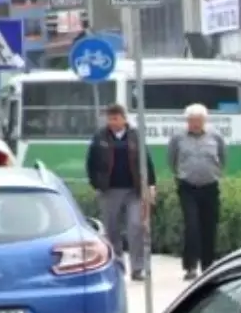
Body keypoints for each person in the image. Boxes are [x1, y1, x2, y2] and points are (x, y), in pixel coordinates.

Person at [86, 103, 156, 282]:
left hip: (134, 189)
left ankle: (138, 267)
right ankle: (117, 265)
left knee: (136, 225)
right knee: (112, 229)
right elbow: (91, 162)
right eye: (109, 118)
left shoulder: (134, 136)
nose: (112, 122)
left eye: (116, 118)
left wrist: (150, 185)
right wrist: (96, 184)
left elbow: (146, 160)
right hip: (110, 189)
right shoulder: (100, 137)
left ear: (124, 119)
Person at [168, 103, 226, 281]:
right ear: (187, 121)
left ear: (204, 121)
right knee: (192, 225)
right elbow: (172, 160)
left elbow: (223, 158)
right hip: (188, 187)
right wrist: (180, 175)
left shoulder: (215, 136)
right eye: (192, 121)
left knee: (209, 225)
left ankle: (208, 264)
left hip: (210, 186)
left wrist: (215, 173)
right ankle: (190, 266)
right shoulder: (178, 138)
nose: (195, 124)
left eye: (198, 121)